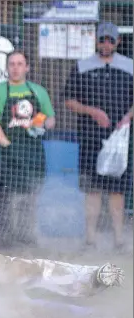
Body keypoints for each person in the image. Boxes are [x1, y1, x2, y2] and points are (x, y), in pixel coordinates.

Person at [64, 22, 133, 250]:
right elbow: (69, 100)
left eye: (110, 40)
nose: (106, 44)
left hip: (119, 141)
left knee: (117, 189)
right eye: (102, 39)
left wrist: (128, 118)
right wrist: (91, 111)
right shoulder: (82, 66)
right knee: (92, 189)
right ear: (96, 40)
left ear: (118, 42)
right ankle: (90, 239)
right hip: (90, 138)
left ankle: (119, 240)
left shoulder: (129, 67)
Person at [0, 50, 55, 246]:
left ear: (27, 67)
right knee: (11, 200)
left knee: (32, 198)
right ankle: (10, 241)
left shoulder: (38, 91)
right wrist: (8, 146)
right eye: (12, 64)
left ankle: (30, 238)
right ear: (7, 68)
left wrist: (38, 123)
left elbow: (50, 119)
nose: (15, 68)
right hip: (8, 156)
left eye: (19, 64)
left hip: (33, 154)